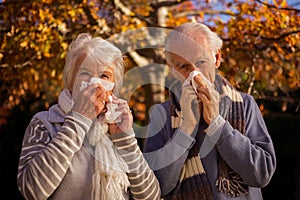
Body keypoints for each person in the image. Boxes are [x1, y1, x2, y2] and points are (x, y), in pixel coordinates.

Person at [17, 33, 161, 200]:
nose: (95, 82)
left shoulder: (117, 126)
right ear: (70, 80)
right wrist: (78, 120)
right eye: (85, 73)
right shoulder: (45, 123)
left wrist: (126, 140)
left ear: (113, 87)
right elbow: (32, 191)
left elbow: (151, 197)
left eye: (104, 76)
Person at [143, 22, 276, 200]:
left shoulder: (245, 104)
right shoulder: (161, 114)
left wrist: (217, 124)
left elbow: (261, 174)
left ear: (217, 58)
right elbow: (157, 187)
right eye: (183, 66)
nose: (194, 74)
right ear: (172, 70)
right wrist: (186, 128)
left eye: (201, 62)